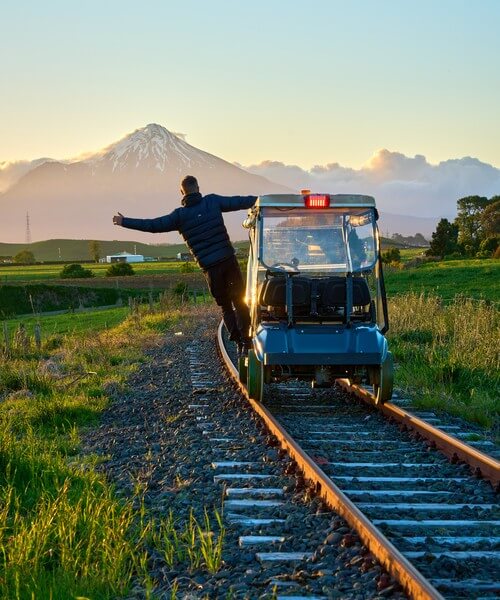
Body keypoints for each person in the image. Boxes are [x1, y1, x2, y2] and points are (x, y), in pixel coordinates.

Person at [113, 175, 257, 352]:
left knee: (226, 306)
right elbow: (240, 201)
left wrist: (124, 222)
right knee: (240, 302)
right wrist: (266, 201)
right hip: (228, 261)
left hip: (210, 269)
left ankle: (237, 342)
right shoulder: (213, 202)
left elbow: (152, 225)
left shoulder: (178, 216)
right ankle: (247, 341)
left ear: (182, 192)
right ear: (198, 187)